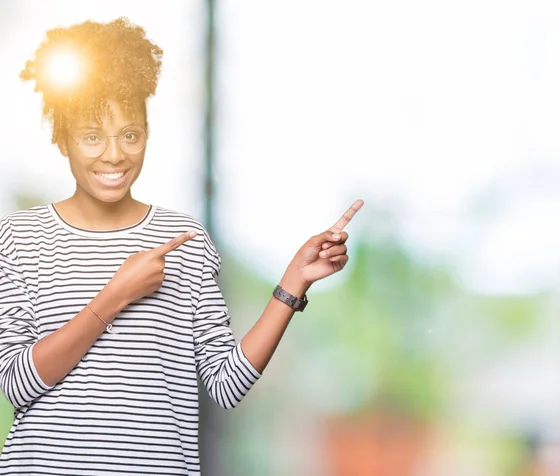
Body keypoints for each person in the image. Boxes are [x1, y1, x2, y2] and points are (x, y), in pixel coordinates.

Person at [0, 17, 363, 475]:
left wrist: (294, 282)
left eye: (130, 134)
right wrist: (116, 295)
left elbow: (227, 385)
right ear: (62, 140)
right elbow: (17, 383)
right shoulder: (18, 237)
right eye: (92, 137)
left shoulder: (184, 241)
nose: (114, 155)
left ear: (147, 134)